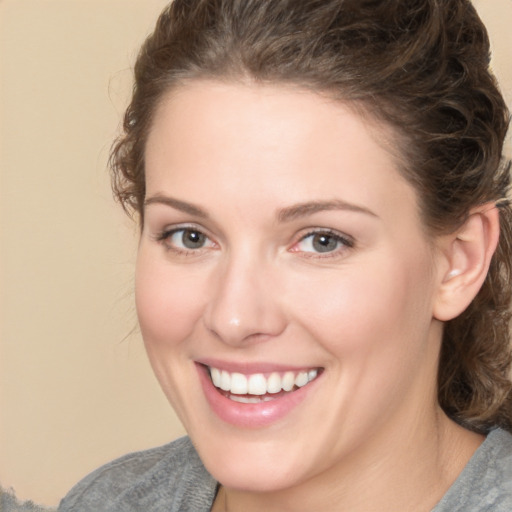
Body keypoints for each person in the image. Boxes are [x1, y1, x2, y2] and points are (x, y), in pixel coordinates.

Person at [59, 1, 512, 510]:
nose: (234, 318)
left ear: (459, 262)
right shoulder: (112, 500)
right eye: (190, 236)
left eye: (322, 241)